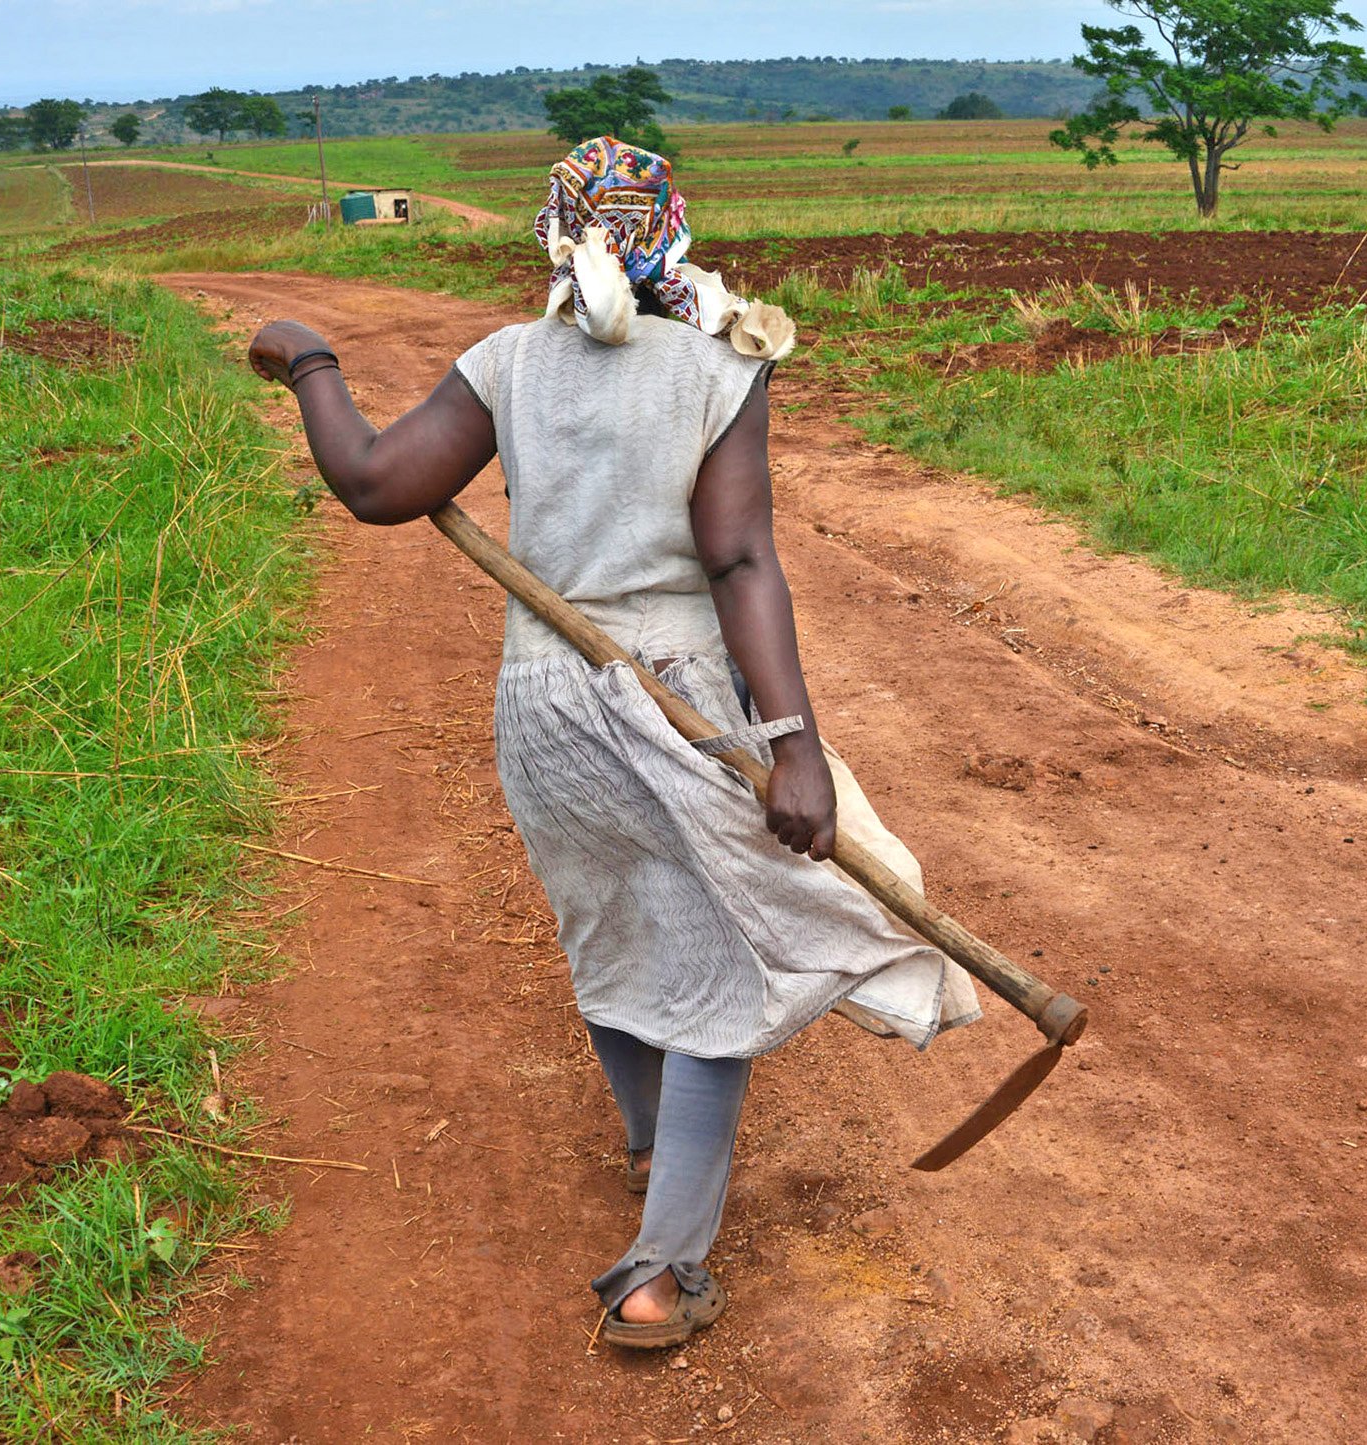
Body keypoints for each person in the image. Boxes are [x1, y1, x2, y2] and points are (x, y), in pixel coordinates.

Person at [245, 137, 978, 1349]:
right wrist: (791, 743)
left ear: (552, 233)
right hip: (674, 696)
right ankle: (657, 1270)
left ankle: (648, 1140)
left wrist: (311, 360)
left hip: (541, 700)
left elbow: (375, 481)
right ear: (671, 230)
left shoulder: (507, 365)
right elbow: (739, 558)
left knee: (612, 921)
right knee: (716, 972)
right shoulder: (711, 368)